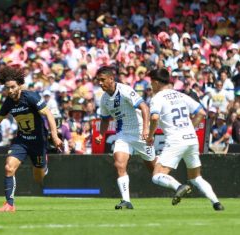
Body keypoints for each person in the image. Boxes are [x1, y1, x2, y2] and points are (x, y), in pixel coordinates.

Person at [0, 66, 63, 212]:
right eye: (7, 88)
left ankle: (44, 165)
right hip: (22, 141)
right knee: (9, 167)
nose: (10, 90)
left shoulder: (31, 97)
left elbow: (49, 115)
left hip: (39, 142)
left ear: (19, 85)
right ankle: (9, 204)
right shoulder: (8, 102)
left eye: (13, 87)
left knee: (38, 178)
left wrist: (55, 136)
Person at [146, 68, 224, 211]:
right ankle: (216, 203)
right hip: (191, 139)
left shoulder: (157, 98)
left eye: (151, 82)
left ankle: (179, 186)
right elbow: (201, 112)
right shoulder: (180, 95)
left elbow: (155, 117)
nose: (150, 85)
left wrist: (150, 136)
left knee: (156, 176)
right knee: (196, 177)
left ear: (156, 82)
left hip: (175, 140)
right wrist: (190, 128)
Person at [94, 66, 156, 210]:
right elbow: (104, 119)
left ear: (111, 79)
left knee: (155, 171)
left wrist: (146, 129)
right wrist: (101, 134)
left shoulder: (125, 90)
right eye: (98, 81)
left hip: (140, 132)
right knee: (119, 164)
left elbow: (145, 108)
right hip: (123, 134)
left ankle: (177, 186)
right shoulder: (104, 99)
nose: (100, 83)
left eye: (103, 80)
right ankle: (126, 200)